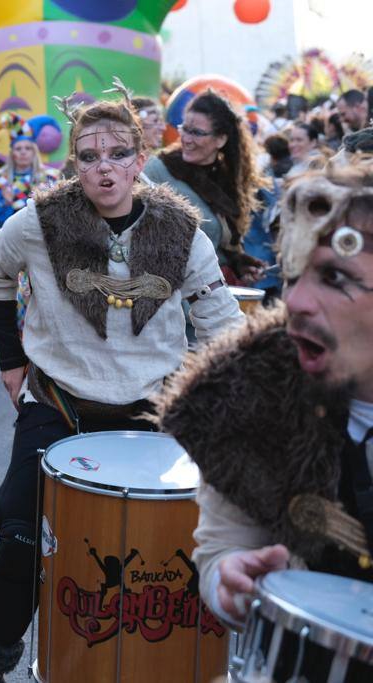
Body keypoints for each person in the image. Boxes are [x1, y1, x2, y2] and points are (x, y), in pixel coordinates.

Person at [0, 84, 244, 681]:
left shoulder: (181, 230)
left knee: (169, 544)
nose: (102, 166)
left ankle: (158, 662)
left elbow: (222, 322)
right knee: (18, 529)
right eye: (88, 156)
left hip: (152, 411)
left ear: (140, 161)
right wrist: (13, 365)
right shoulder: (38, 221)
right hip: (59, 405)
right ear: (74, 164)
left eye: (117, 153)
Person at [153, 162, 373, 678]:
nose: (294, 301)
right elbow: (223, 547)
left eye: (335, 277)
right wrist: (229, 580)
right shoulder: (247, 397)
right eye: (293, 275)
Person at [144, 90, 267, 283]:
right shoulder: (156, 171)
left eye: (197, 133)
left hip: (214, 295)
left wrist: (238, 263)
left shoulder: (226, 179)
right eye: (185, 128)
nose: (186, 138)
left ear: (221, 139)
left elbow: (216, 242)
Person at [0, 113, 58, 228]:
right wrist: (4, 203)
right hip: (9, 236)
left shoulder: (49, 178)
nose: (23, 152)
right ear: (12, 153)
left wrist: (44, 200)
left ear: (34, 152)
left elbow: (58, 215)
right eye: (18, 148)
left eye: (28, 148)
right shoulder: (0, 180)